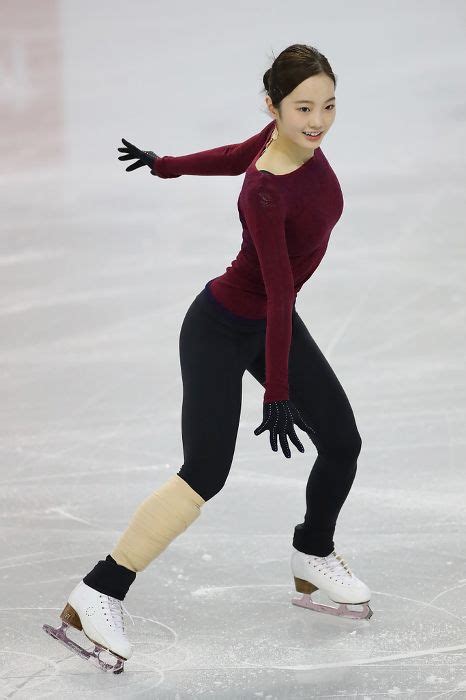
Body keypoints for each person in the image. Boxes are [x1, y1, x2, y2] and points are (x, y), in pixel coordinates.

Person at [43, 43, 372, 674]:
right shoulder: (266, 191)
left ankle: (312, 552)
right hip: (222, 328)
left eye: (329, 106)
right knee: (205, 472)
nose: (318, 121)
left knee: (343, 441)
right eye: (304, 108)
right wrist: (277, 391)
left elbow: (228, 154)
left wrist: (166, 165)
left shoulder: (285, 141)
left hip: (273, 321)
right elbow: (277, 293)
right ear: (273, 106)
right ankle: (98, 592)